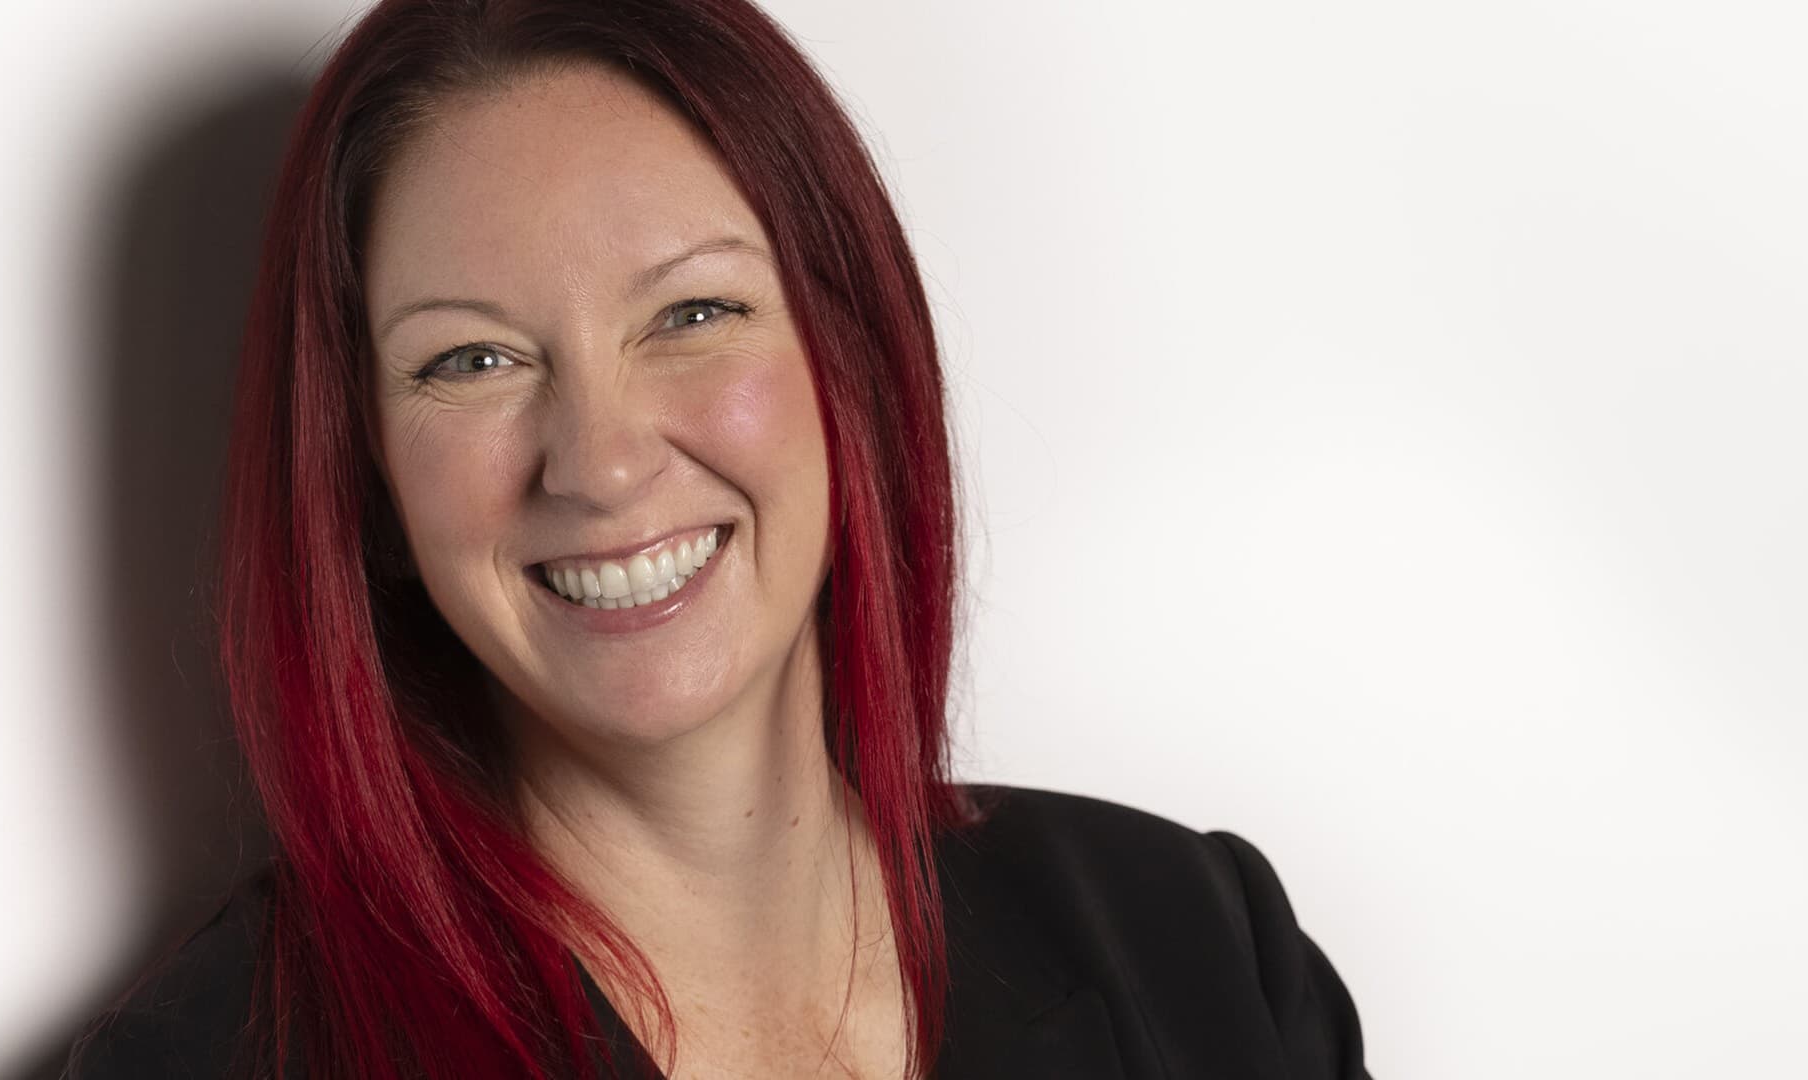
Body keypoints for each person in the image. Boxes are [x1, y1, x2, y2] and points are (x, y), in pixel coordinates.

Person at [66, 0, 1371, 1077]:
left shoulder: (1199, 945)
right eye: (471, 358)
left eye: (691, 315)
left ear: (847, 363)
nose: (605, 460)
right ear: (368, 491)